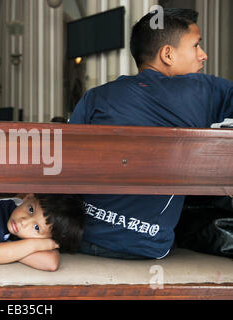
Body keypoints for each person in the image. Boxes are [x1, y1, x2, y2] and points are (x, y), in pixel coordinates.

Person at [69, 8, 232, 260]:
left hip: (84, 237)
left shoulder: (96, 97)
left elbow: (64, 159)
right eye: (196, 46)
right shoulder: (202, 91)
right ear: (167, 54)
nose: (203, 55)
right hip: (147, 245)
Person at [0, 193, 85, 271]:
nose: (24, 222)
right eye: (31, 210)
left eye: (36, 228)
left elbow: (51, 263)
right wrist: (38, 245)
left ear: (47, 237)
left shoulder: (24, 230)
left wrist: (4, 252)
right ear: (28, 197)